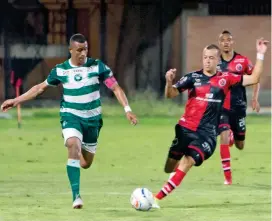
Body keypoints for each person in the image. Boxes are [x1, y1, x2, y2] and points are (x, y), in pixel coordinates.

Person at [1, 33, 138, 209]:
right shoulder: (60, 70)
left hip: (93, 121)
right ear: (71, 50)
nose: (83, 54)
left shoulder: (98, 67)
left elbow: (116, 88)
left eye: (85, 49)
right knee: (73, 143)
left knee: (86, 163)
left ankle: (77, 148)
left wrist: (128, 110)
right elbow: (39, 88)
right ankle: (76, 196)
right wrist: (16, 100)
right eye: (79, 50)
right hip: (71, 116)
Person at [151, 38, 268, 207]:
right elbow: (170, 94)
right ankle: (172, 180)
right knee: (169, 168)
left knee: (188, 161)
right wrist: (169, 82)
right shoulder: (192, 77)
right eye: (205, 57)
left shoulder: (226, 79)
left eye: (211, 58)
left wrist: (260, 54)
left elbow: (254, 78)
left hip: (207, 135)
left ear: (218, 61)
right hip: (185, 130)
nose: (207, 60)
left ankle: (157, 198)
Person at [217, 30, 260, 185]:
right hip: (221, 107)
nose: (226, 42)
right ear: (220, 43)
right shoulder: (215, 62)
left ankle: (235, 137)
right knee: (223, 135)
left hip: (239, 106)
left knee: (240, 145)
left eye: (229, 39)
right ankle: (227, 178)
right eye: (223, 40)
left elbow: (256, 76)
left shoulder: (242, 60)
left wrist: (255, 98)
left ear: (232, 42)